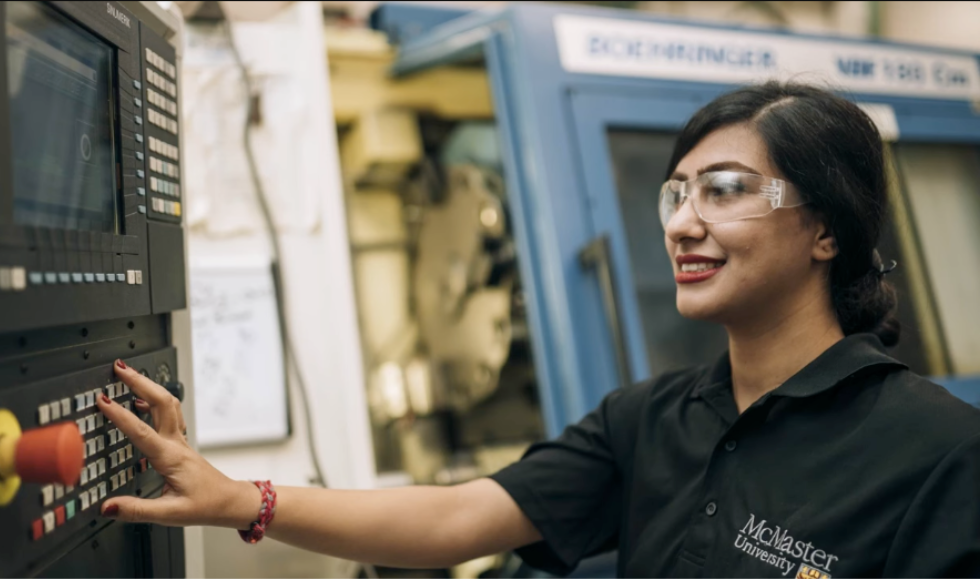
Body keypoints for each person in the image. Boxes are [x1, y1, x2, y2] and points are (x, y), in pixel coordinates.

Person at [95, 81, 980, 578]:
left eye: (725, 189)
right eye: (675, 192)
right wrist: (239, 499)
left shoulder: (937, 452)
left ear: (828, 229)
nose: (680, 222)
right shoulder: (649, 419)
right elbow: (454, 518)